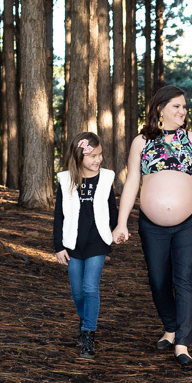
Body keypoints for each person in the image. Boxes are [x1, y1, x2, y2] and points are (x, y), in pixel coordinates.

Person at [113, 85, 192, 367]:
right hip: (151, 225)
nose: (183, 111)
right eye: (176, 106)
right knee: (158, 280)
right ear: (160, 109)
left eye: (184, 107)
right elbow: (133, 182)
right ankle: (170, 327)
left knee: (184, 280)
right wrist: (121, 222)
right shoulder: (142, 141)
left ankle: (182, 342)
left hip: (189, 223)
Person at [52, 132, 117, 361]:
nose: (97, 160)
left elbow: (112, 209)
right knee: (77, 290)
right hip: (73, 243)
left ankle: (89, 333)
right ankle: (84, 318)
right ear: (79, 156)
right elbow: (59, 215)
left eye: (100, 155)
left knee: (90, 288)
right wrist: (59, 246)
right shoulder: (66, 179)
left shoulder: (107, 178)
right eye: (92, 156)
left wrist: (117, 229)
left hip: (97, 241)